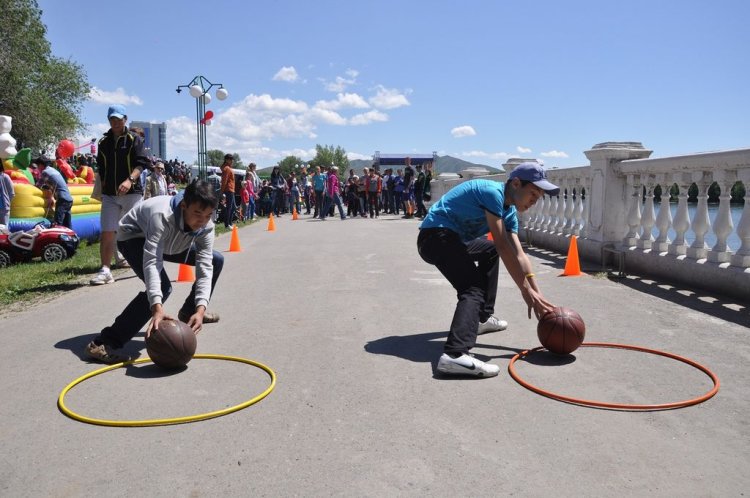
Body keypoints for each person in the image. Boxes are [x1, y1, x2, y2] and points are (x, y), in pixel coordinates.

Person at [417, 162, 559, 377]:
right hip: (434, 237)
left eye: (538, 198)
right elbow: (504, 246)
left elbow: (519, 254)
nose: (534, 201)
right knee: (472, 289)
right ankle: (455, 355)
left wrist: (537, 295)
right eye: (532, 194)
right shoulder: (492, 192)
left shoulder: (509, 212)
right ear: (516, 183)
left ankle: (481, 318)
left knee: (489, 250)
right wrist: (525, 292)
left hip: (453, 240)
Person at [84, 180, 223, 364]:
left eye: (208, 215)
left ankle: (189, 313)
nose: (202, 220)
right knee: (163, 288)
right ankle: (104, 343)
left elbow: (205, 268)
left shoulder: (206, 225)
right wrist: (156, 308)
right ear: (184, 205)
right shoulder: (162, 215)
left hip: (171, 241)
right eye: (197, 213)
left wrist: (200, 309)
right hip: (134, 237)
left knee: (216, 259)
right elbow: (152, 262)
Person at [90, 105, 150, 285]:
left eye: (118, 119)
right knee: (107, 232)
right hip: (110, 194)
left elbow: (141, 164)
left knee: (136, 231)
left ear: (125, 119)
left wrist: (130, 180)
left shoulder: (134, 140)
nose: (115, 123)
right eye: (112, 119)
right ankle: (105, 270)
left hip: (132, 192)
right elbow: (101, 167)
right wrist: (103, 187)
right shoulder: (103, 142)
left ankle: (146, 263)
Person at [40, 163, 74, 228]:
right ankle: (72, 237)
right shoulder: (53, 170)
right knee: (67, 224)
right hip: (69, 199)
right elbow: (54, 184)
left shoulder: (45, 172)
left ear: (41, 165)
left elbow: (39, 184)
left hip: (62, 199)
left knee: (57, 223)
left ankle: (57, 238)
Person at [220, 154, 236, 228]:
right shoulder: (227, 168)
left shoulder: (229, 168)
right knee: (229, 208)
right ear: (227, 160)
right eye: (231, 159)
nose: (232, 161)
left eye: (232, 159)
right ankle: (227, 224)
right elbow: (224, 181)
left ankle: (230, 223)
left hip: (231, 190)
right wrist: (222, 192)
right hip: (228, 190)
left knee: (232, 208)